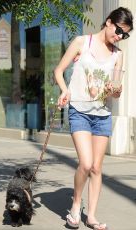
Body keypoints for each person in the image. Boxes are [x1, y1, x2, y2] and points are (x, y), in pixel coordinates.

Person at [54, 7, 133, 230]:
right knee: (86, 164)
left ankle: (92, 216)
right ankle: (76, 204)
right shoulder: (82, 42)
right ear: (108, 22)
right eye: (119, 30)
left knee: (97, 167)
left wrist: (113, 89)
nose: (120, 36)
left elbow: (117, 90)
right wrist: (63, 90)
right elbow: (59, 70)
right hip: (79, 110)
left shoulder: (119, 54)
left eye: (125, 35)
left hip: (102, 115)